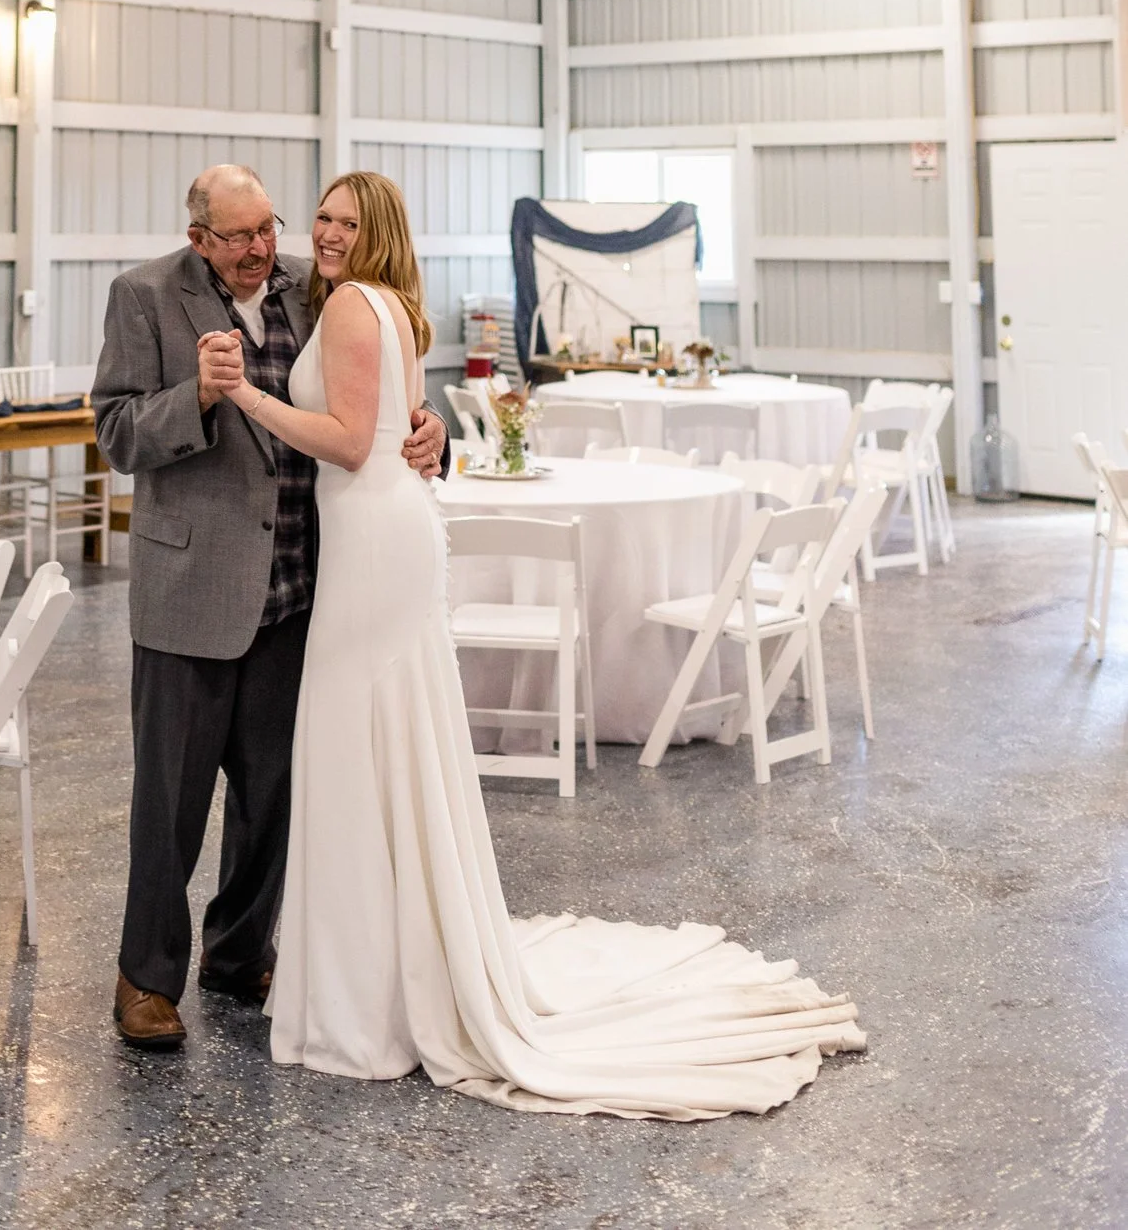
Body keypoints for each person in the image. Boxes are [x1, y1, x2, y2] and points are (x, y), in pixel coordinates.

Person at [204, 168, 865, 1120]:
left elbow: (351, 442)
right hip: (380, 532)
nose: (328, 231)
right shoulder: (383, 304)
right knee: (376, 744)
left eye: (346, 220)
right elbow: (389, 426)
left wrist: (246, 402)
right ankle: (390, 957)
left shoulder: (352, 304)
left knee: (358, 745)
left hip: (374, 537)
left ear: (378, 230)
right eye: (322, 217)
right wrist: (412, 428)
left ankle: (367, 989)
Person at [91, 163, 447, 1052]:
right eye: (238, 237)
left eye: (268, 231)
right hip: (192, 592)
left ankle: (240, 952)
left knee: (271, 796)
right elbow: (116, 433)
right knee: (168, 804)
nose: (261, 252)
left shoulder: (310, 286)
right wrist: (200, 396)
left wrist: (429, 426)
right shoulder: (143, 296)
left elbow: (362, 393)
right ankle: (146, 979)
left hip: (297, 588)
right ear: (197, 235)